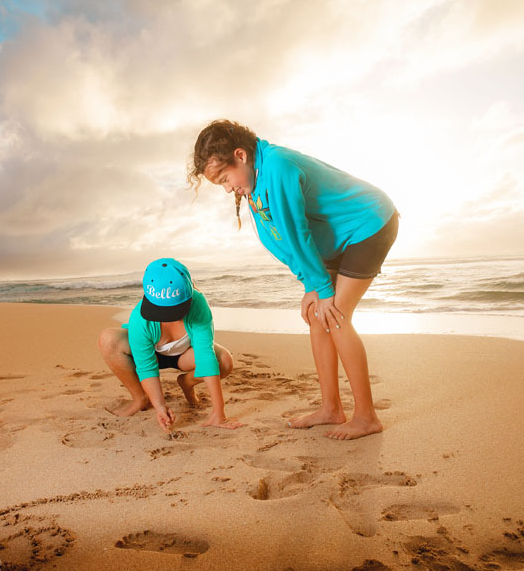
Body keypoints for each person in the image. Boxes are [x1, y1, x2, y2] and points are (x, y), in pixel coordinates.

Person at [188, 120, 399, 440]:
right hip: (337, 237)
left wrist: (323, 288)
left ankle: (367, 416)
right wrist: (311, 286)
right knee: (317, 316)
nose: (228, 188)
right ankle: (331, 409)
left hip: (369, 223)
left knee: (336, 316)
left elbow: (296, 233)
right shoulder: (254, 180)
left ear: (240, 155)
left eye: (225, 178)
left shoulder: (278, 169)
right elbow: (280, 240)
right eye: (220, 184)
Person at [97, 257, 242, 432]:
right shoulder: (139, 319)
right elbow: (146, 367)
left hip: (185, 355)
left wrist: (219, 413)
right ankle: (140, 398)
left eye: (174, 310)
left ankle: (186, 383)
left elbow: (205, 355)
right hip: (153, 354)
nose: (168, 317)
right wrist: (160, 406)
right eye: (162, 311)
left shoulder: (198, 304)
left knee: (224, 361)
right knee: (108, 338)